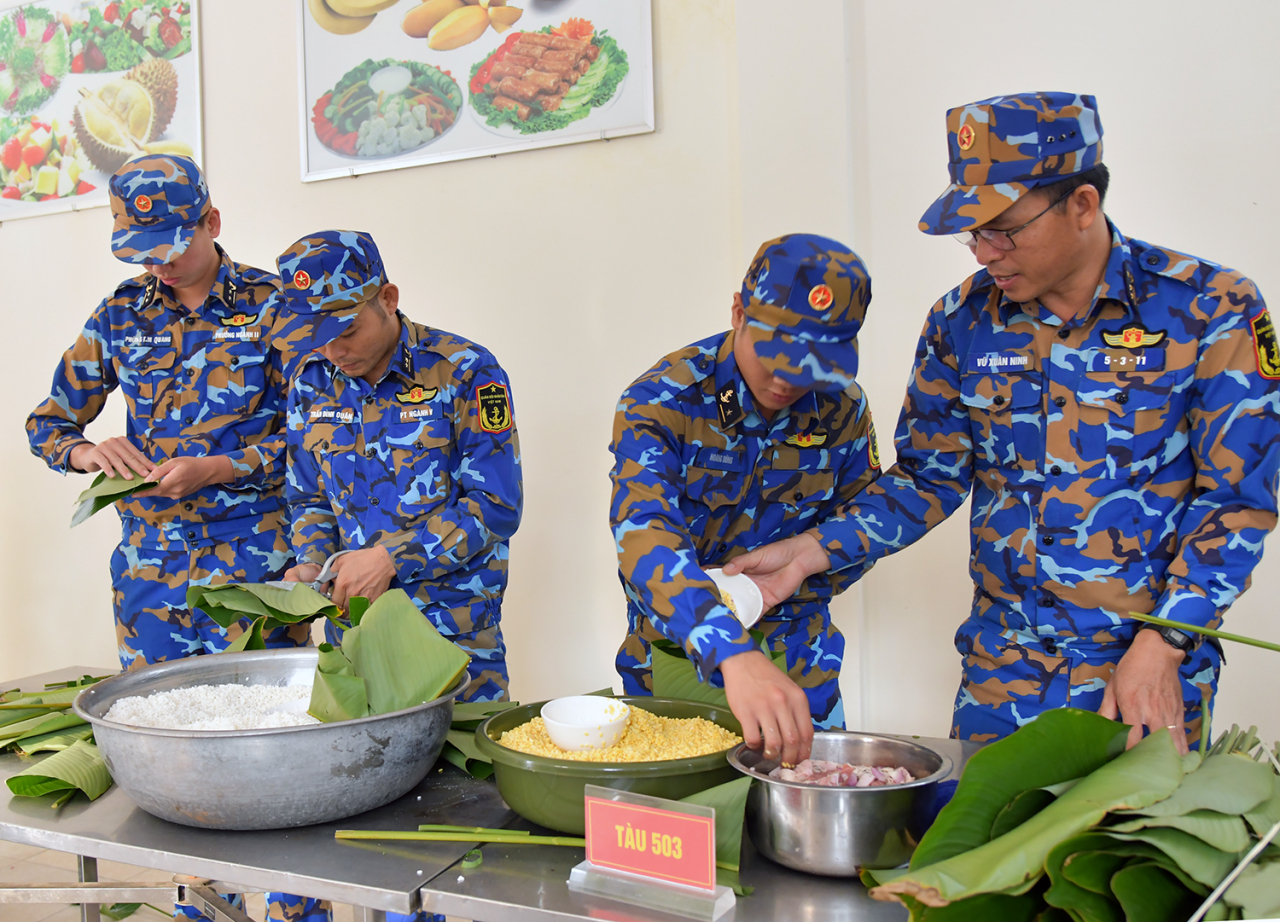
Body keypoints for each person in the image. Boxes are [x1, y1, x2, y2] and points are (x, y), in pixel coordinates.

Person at [724, 93, 1280, 754]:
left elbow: (1237, 502)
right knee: (977, 820)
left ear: (1082, 205)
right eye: (972, 234)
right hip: (1002, 670)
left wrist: (1167, 640)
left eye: (1004, 230)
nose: (984, 253)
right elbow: (928, 477)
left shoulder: (1211, 308)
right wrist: (811, 551)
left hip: (1143, 669)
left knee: (1127, 827)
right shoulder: (961, 321)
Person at [24, 155, 329, 922]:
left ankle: (297, 906)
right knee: (168, 749)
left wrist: (222, 467)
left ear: (211, 222)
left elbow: (320, 435)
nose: (157, 264)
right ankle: (202, 903)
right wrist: (88, 452)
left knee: (276, 742)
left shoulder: (274, 305)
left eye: (170, 244)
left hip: (258, 569)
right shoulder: (121, 312)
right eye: (141, 250)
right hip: (152, 573)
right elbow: (48, 422)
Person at [610, 234, 881, 767]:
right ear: (738, 312)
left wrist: (797, 573)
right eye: (776, 356)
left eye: (810, 364)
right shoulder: (663, 400)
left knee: (811, 803)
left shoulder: (842, 407)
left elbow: (864, 522)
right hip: (677, 657)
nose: (786, 381)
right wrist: (729, 646)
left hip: (802, 664)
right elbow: (643, 534)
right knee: (685, 808)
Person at [276, 230, 523, 706]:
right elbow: (308, 496)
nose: (334, 352)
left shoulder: (465, 371)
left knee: (464, 755)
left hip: (451, 634)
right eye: (317, 338)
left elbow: (496, 505)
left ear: (387, 299)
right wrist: (312, 563)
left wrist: (390, 559)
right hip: (354, 633)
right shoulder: (311, 383)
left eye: (347, 331)